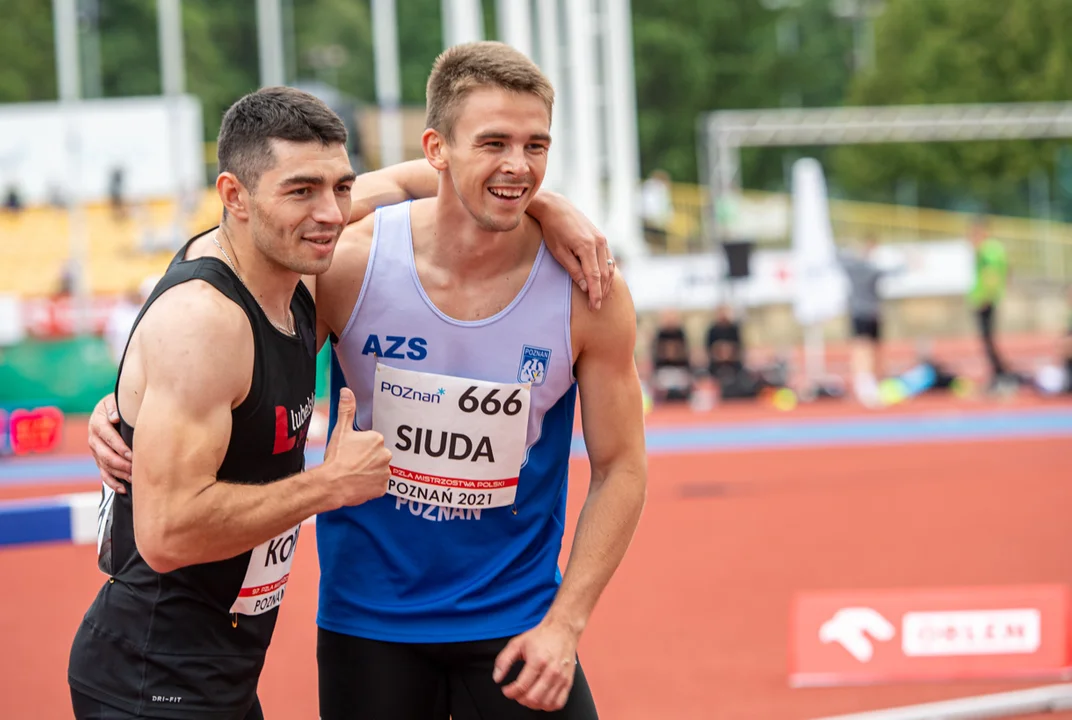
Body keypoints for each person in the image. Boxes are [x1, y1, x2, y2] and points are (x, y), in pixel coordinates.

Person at [83, 83, 616, 720]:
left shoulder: (294, 276)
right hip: (161, 669)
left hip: (222, 667)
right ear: (235, 197)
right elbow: (168, 530)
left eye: (340, 187)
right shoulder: (240, 304)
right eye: (302, 190)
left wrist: (547, 204)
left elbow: (422, 176)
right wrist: (329, 485)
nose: (333, 212)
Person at [312, 41, 646, 719]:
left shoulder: (589, 292)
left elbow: (622, 468)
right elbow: (226, 303)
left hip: (518, 626)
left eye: (536, 145)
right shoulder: (346, 268)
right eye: (494, 142)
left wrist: (566, 625)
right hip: (368, 622)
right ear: (436, 149)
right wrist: (128, 400)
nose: (518, 166)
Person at [836, 234, 899, 407]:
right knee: (863, 349)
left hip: (871, 313)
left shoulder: (859, 266)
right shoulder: (861, 267)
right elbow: (893, 271)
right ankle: (865, 383)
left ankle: (871, 382)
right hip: (863, 313)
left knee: (872, 349)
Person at [967, 217, 1012, 390]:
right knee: (988, 340)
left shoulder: (988, 250)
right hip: (988, 298)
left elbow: (991, 275)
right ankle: (999, 374)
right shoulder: (994, 249)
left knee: (988, 340)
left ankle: (1001, 375)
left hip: (986, 300)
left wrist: (986, 297)